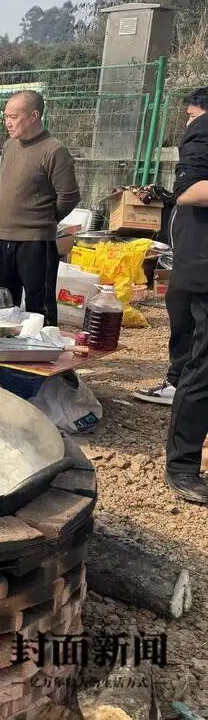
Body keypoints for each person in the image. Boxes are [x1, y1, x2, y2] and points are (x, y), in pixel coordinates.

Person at [0, 90, 80, 326]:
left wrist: (45, 220)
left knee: (38, 306)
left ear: (34, 116)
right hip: (1, 238)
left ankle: (45, 352)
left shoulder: (54, 150)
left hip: (35, 242)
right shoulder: (9, 146)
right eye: (6, 116)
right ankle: (2, 356)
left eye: (14, 116)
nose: (8, 122)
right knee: (0, 304)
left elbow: (69, 196)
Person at [162, 88, 208, 503]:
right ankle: (183, 467)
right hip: (204, 272)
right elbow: (190, 191)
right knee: (202, 372)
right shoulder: (204, 131)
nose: (189, 119)